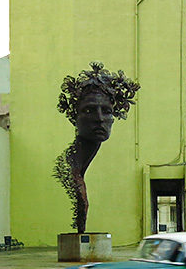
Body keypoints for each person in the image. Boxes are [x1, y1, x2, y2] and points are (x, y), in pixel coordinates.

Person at [54, 62, 140, 233]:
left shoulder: (77, 167)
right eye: (89, 110)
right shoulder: (66, 167)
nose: (99, 118)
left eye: (106, 111)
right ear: (74, 117)